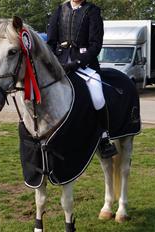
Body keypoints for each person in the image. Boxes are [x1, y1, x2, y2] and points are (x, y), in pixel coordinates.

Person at [47, 0, 117, 158]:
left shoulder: (92, 11)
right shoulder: (59, 10)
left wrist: (77, 62)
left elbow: (96, 45)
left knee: (97, 95)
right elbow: (51, 42)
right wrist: (54, 62)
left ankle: (104, 138)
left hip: (85, 64)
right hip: (60, 63)